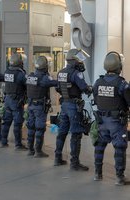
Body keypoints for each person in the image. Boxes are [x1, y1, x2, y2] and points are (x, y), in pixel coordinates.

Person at [93, 51, 130, 185]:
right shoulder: (122, 84)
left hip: (102, 120)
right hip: (117, 122)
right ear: (119, 66)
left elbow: (96, 99)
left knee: (99, 146)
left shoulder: (98, 82)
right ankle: (119, 177)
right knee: (120, 148)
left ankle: (98, 173)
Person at [54, 48, 92, 171]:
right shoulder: (76, 74)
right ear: (74, 60)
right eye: (79, 59)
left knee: (62, 132)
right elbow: (85, 88)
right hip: (74, 107)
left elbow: (58, 88)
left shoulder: (61, 72)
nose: (81, 62)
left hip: (64, 105)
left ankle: (57, 158)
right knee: (76, 134)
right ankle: (74, 163)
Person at [26, 56, 57, 157]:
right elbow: (55, 83)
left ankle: (30, 150)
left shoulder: (30, 76)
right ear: (45, 66)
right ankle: (38, 151)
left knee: (31, 127)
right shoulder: (44, 78)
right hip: (39, 106)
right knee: (39, 128)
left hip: (30, 105)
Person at [1, 53, 28, 150]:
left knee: (6, 122)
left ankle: (3, 141)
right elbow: (27, 84)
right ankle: (18, 144)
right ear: (20, 62)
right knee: (17, 123)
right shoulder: (20, 74)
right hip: (16, 101)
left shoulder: (7, 71)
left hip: (7, 99)